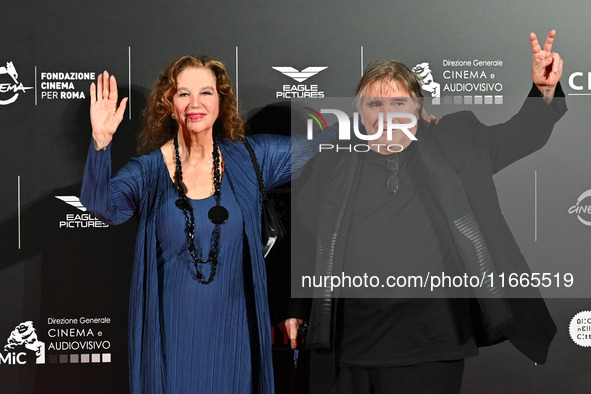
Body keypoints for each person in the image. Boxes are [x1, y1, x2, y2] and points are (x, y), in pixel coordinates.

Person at [285, 30, 566, 393]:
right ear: (359, 111)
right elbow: (307, 240)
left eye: (398, 103)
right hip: (349, 345)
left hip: (434, 343)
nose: (386, 114)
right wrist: (295, 306)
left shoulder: (458, 144)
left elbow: (522, 134)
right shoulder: (332, 164)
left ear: (418, 107)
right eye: (374, 104)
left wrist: (544, 92)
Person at [81, 56, 298, 393]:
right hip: (172, 336)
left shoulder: (251, 158)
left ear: (221, 102)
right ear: (169, 105)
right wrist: (100, 141)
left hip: (234, 334)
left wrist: (386, 117)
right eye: (183, 94)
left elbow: (326, 150)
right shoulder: (148, 171)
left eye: (206, 93)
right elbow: (102, 206)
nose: (195, 103)